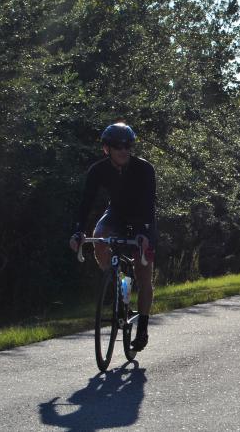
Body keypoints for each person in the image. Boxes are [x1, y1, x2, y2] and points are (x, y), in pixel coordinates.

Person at [69, 122, 156, 352]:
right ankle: (116, 282)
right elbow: (85, 203)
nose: (124, 150)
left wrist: (145, 234)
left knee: (144, 272)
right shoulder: (98, 170)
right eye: (118, 146)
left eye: (128, 145)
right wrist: (78, 231)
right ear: (106, 149)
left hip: (142, 218)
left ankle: (143, 327)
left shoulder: (145, 169)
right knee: (98, 237)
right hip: (116, 213)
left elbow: (149, 205)